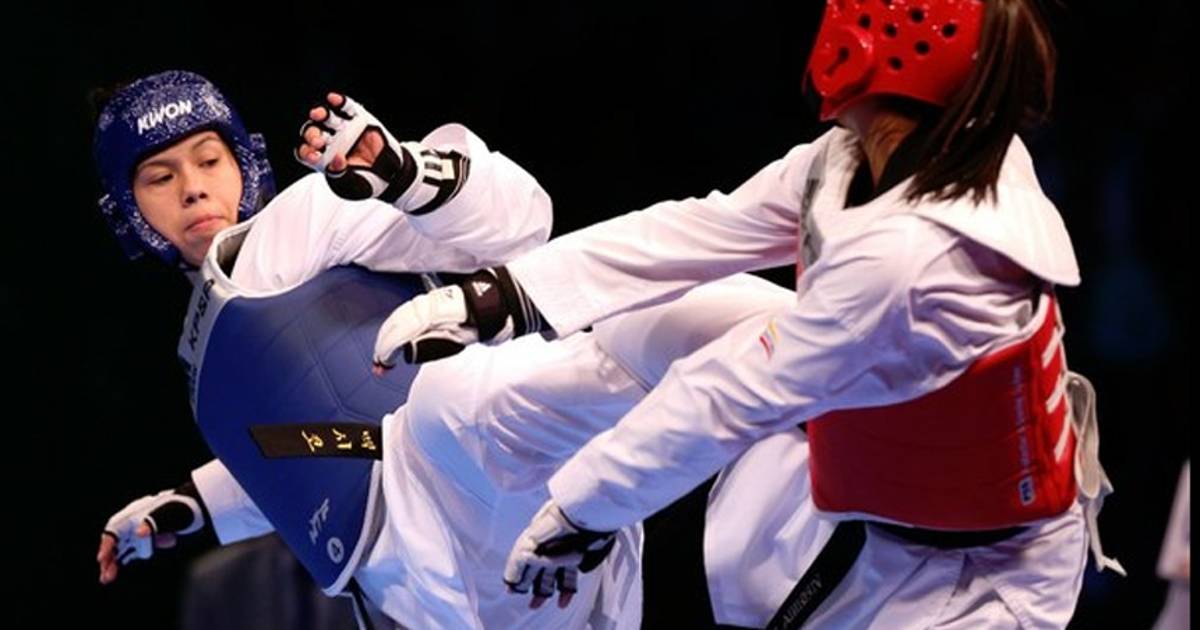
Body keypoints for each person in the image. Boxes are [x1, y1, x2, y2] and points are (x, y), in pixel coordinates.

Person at [372, 0, 1126, 626]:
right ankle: (493, 451)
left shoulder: (916, 263)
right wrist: (503, 296)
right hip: (881, 459)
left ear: (889, 44)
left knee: (708, 395)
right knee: (675, 317)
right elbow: (705, 230)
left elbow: (727, 396)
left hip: (964, 584)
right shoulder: (861, 159)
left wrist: (581, 514)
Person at [93, 70, 798, 628]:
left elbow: (519, 223)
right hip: (435, 586)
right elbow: (306, 451)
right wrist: (193, 504)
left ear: (244, 162)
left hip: (473, 494)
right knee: (635, 338)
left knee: (492, 379)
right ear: (129, 210)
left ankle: (822, 355)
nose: (194, 189)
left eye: (209, 160)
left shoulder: (302, 217)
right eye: (161, 177)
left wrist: (406, 173)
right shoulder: (203, 362)